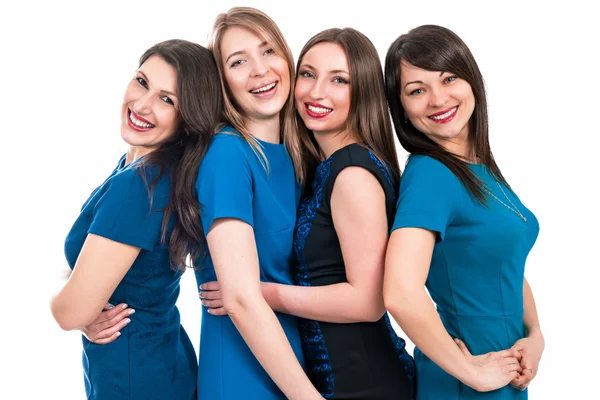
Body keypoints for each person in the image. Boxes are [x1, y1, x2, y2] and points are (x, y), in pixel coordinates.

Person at [202, 27, 415, 400]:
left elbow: (367, 301)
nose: (317, 92)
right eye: (309, 74)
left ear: (362, 90)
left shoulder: (351, 174)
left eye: (339, 80)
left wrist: (257, 292)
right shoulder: (311, 163)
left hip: (362, 384)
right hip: (325, 376)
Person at [50, 39, 223, 399]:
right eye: (142, 82)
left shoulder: (140, 186)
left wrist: (64, 301)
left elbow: (69, 313)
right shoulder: (144, 169)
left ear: (189, 118)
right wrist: (76, 299)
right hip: (159, 361)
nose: (142, 105)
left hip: (135, 379)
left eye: (167, 99)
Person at [382, 25, 544, 399]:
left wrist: (535, 337)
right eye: (417, 90)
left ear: (471, 81)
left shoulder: (481, 171)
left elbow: (506, 265)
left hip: (505, 373)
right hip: (463, 382)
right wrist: (470, 371)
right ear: (402, 110)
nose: (438, 99)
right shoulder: (430, 174)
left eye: (448, 78)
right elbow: (400, 292)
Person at [194, 7, 321, 400]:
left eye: (268, 51)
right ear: (222, 81)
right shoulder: (227, 155)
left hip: (298, 365)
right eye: (238, 61)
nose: (259, 70)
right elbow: (240, 299)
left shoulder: (303, 155)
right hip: (244, 375)